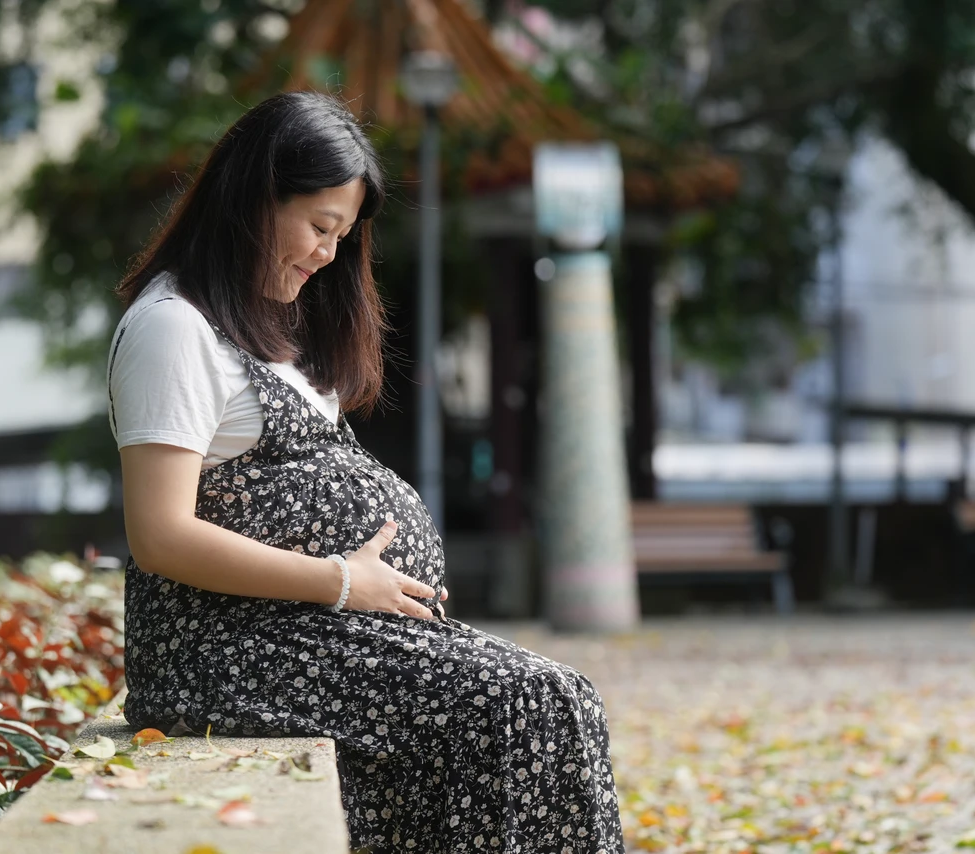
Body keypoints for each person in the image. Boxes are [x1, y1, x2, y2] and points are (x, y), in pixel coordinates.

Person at [107, 91, 624, 854]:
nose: (326, 255)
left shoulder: (266, 330)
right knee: (525, 703)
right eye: (320, 227)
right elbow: (160, 536)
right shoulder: (172, 328)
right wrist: (343, 583)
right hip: (224, 650)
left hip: (311, 636)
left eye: (342, 238)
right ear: (254, 199)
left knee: (563, 700)